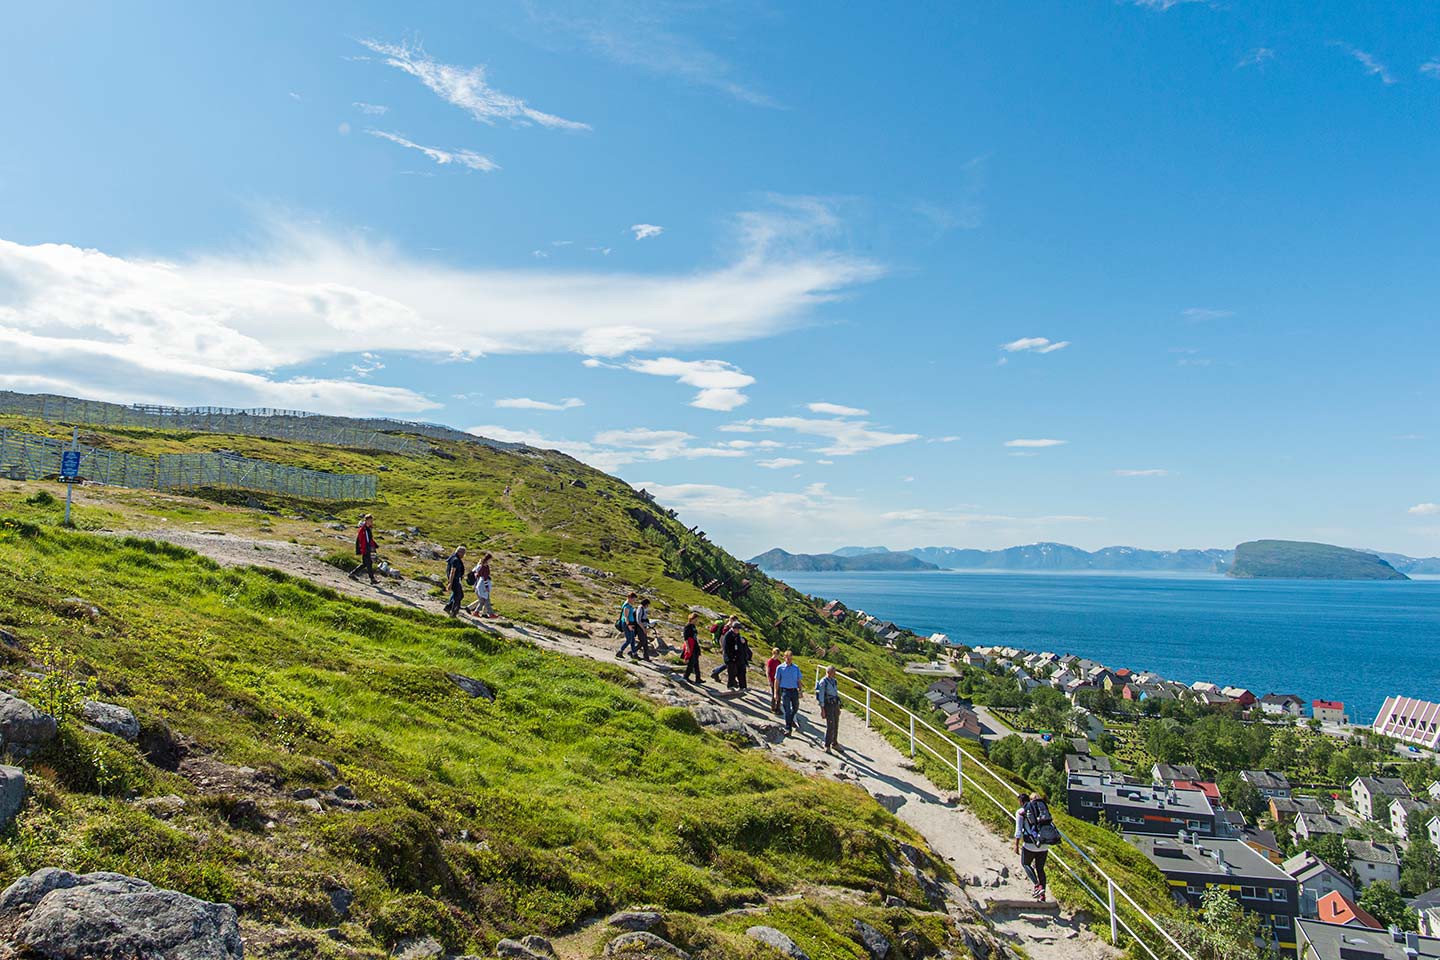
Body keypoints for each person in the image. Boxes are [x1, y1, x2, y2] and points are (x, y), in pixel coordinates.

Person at [1014, 790, 1058, 902]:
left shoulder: (1022, 811)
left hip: (1030, 844)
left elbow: (1018, 830)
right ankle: (1043, 896)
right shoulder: (1043, 811)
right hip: (1044, 844)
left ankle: (1038, 886)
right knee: (1040, 868)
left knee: (1025, 863)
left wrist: (1016, 845)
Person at [815, 665, 842, 752]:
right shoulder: (823, 682)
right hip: (828, 705)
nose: (835, 674)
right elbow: (821, 696)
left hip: (835, 704)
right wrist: (822, 709)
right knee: (830, 725)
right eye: (834, 672)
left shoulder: (834, 681)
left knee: (836, 724)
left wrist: (838, 707)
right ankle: (827, 745)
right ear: (829, 672)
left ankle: (834, 742)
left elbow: (836, 693)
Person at [775, 650, 802, 736]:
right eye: (787, 658)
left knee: (795, 707)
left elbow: (799, 680)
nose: (789, 660)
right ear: (784, 658)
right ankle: (788, 728)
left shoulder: (796, 668)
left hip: (794, 690)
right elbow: (777, 680)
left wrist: (800, 690)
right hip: (785, 691)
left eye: (790, 658)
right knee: (787, 710)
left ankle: (790, 720)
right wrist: (776, 693)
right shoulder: (780, 668)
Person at [348, 514, 378, 584]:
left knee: (365, 564)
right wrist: (363, 549)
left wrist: (374, 546)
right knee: (369, 563)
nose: (371, 522)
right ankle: (372, 579)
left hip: (369, 548)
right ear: (366, 521)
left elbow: (369, 539)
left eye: (372, 521)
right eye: (370, 521)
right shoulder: (363, 529)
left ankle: (352, 574)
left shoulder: (368, 529)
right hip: (366, 549)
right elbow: (361, 540)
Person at [465, 553, 495, 617]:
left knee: (484, 599)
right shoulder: (482, 567)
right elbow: (481, 576)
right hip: (480, 585)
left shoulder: (479, 566)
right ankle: (471, 609)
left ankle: (483, 612)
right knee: (483, 599)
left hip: (479, 584)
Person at [443, 546, 467, 616]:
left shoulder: (453, 557)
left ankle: (448, 607)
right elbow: (452, 572)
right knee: (458, 596)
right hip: (454, 580)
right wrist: (450, 583)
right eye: (463, 553)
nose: (464, 555)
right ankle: (454, 612)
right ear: (459, 552)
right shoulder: (456, 560)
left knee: (459, 595)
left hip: (455, 580)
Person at [710, 617, 736, 682]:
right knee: (729, 663)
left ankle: (716, 671)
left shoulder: (729, 627)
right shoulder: (726, 628)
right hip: (726, 648)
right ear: (731, 620)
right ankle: (716, 672)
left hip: (729, 648)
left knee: (729, 663)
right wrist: (723, 648)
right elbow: (722, 637)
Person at [615, 593, 641, 659]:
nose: (634, 601)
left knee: (632, 640)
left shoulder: (629, 605)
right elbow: (626, 617)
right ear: (629, 598)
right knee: (629, 640)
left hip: (630, 623)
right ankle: (620, 652)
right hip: (627, 624)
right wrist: (629, 625)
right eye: (633, 599)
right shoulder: (626, 606)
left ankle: (634, 654)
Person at [681, 613, 703, 684]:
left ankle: (698, 678)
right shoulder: (687, 626)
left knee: (696, 662)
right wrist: (687, 647)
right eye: (695, 619)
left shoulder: (693, 626)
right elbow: (686, 638)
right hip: (690, 646)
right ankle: (686, 676)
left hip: (695, 645)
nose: (696, 621)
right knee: (691, 662)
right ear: (692, 619)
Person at [723, 623, 745, 689]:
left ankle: (735, 685)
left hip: (735, 657)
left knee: (735, 672)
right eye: (737, 629)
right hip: (729, 657)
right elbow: (726, 648)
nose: (738, 630)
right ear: (734, 628)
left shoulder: (737, 635)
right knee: (731, 672)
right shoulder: (728, 635)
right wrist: (731, 657)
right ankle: (730, 686)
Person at [765, 648, 782, 714]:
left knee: (779, 694)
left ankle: (778, 708)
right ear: (774, 653)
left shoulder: (778, 662)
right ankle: (773, 708)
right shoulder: (770, 661)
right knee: (774, 694)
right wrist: (769, 681)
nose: (777, 656)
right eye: (776, 654)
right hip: (772, 680)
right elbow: (767, 672)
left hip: (778, 680)